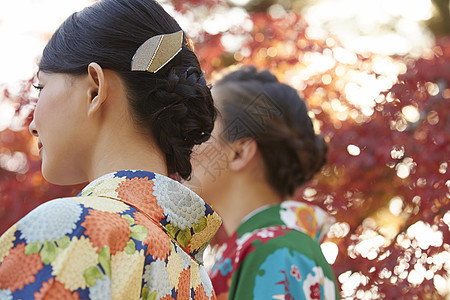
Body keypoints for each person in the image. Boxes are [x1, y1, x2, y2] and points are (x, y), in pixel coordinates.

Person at [0, 0, 222, 299]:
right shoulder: (190, 271)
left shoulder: (74, 229)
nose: (32, 125)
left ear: (95, 89)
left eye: (42, 88)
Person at [189, 66, 339, 300]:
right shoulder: (269, 247)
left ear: (240, 153)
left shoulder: (276, 251)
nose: (186, 145)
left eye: (203, 131)